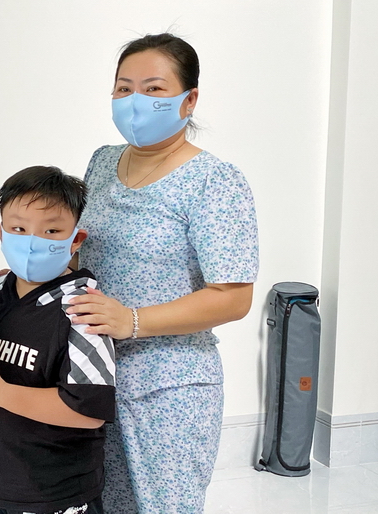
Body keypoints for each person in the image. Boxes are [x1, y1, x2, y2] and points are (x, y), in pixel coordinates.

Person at [64, 33, 259, 513]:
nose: (135, 101)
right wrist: (34, 271)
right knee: (100, 503)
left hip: (170, 386)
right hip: (95, 373)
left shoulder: (215, 182)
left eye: (153, 89)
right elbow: (88, 254)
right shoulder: (102, 162)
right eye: (123, 88)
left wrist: (132, 320)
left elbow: (233, 296)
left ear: (189, 100)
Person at [0, 166, 117, 514]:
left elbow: (88, 412)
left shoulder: (84, 309)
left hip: (54, 494)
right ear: (0, 232)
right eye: (19, 229)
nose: (32, 241)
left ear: (75, 240)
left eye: (52, 231)